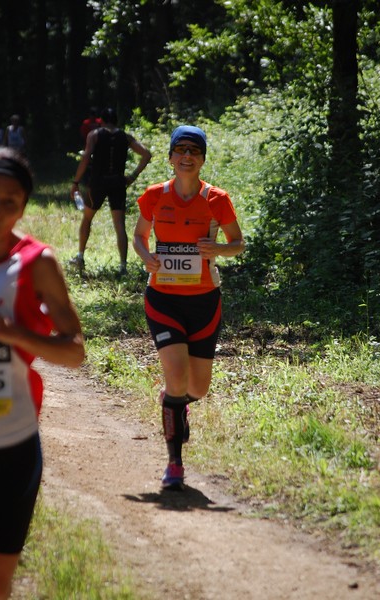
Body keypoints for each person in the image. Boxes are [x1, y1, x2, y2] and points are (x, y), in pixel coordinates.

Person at [0, 146, 85, 598]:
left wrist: (13, 334)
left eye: (9, 201)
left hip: (12, 445)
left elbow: (75, 352)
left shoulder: (37, 262)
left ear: (24, 206)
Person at [133, 125, 245, 490]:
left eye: (194, 151)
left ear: (201, 160)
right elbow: (138, 236)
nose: (186, 156)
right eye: (179, 149)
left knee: (197, 388)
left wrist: (219, 250)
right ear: (169, 157)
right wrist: (147, 254)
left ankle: (176, 401)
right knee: (176, 375)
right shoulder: (153, 196)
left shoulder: (217, 199)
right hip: (163, 300)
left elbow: (238, 243)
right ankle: (174, 464)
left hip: (204, 303)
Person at [70, 107, 152, 275]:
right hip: (118, 183)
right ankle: (123, 266)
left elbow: (86, 157)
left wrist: (76, 181)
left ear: (102, 120)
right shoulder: (125, 137)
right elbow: (146, 154)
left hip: (97, 183)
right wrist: (133, 176)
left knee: (87, 218)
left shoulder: (94, 135)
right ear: (116, 120)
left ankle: (80, 256)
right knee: (119, 224)